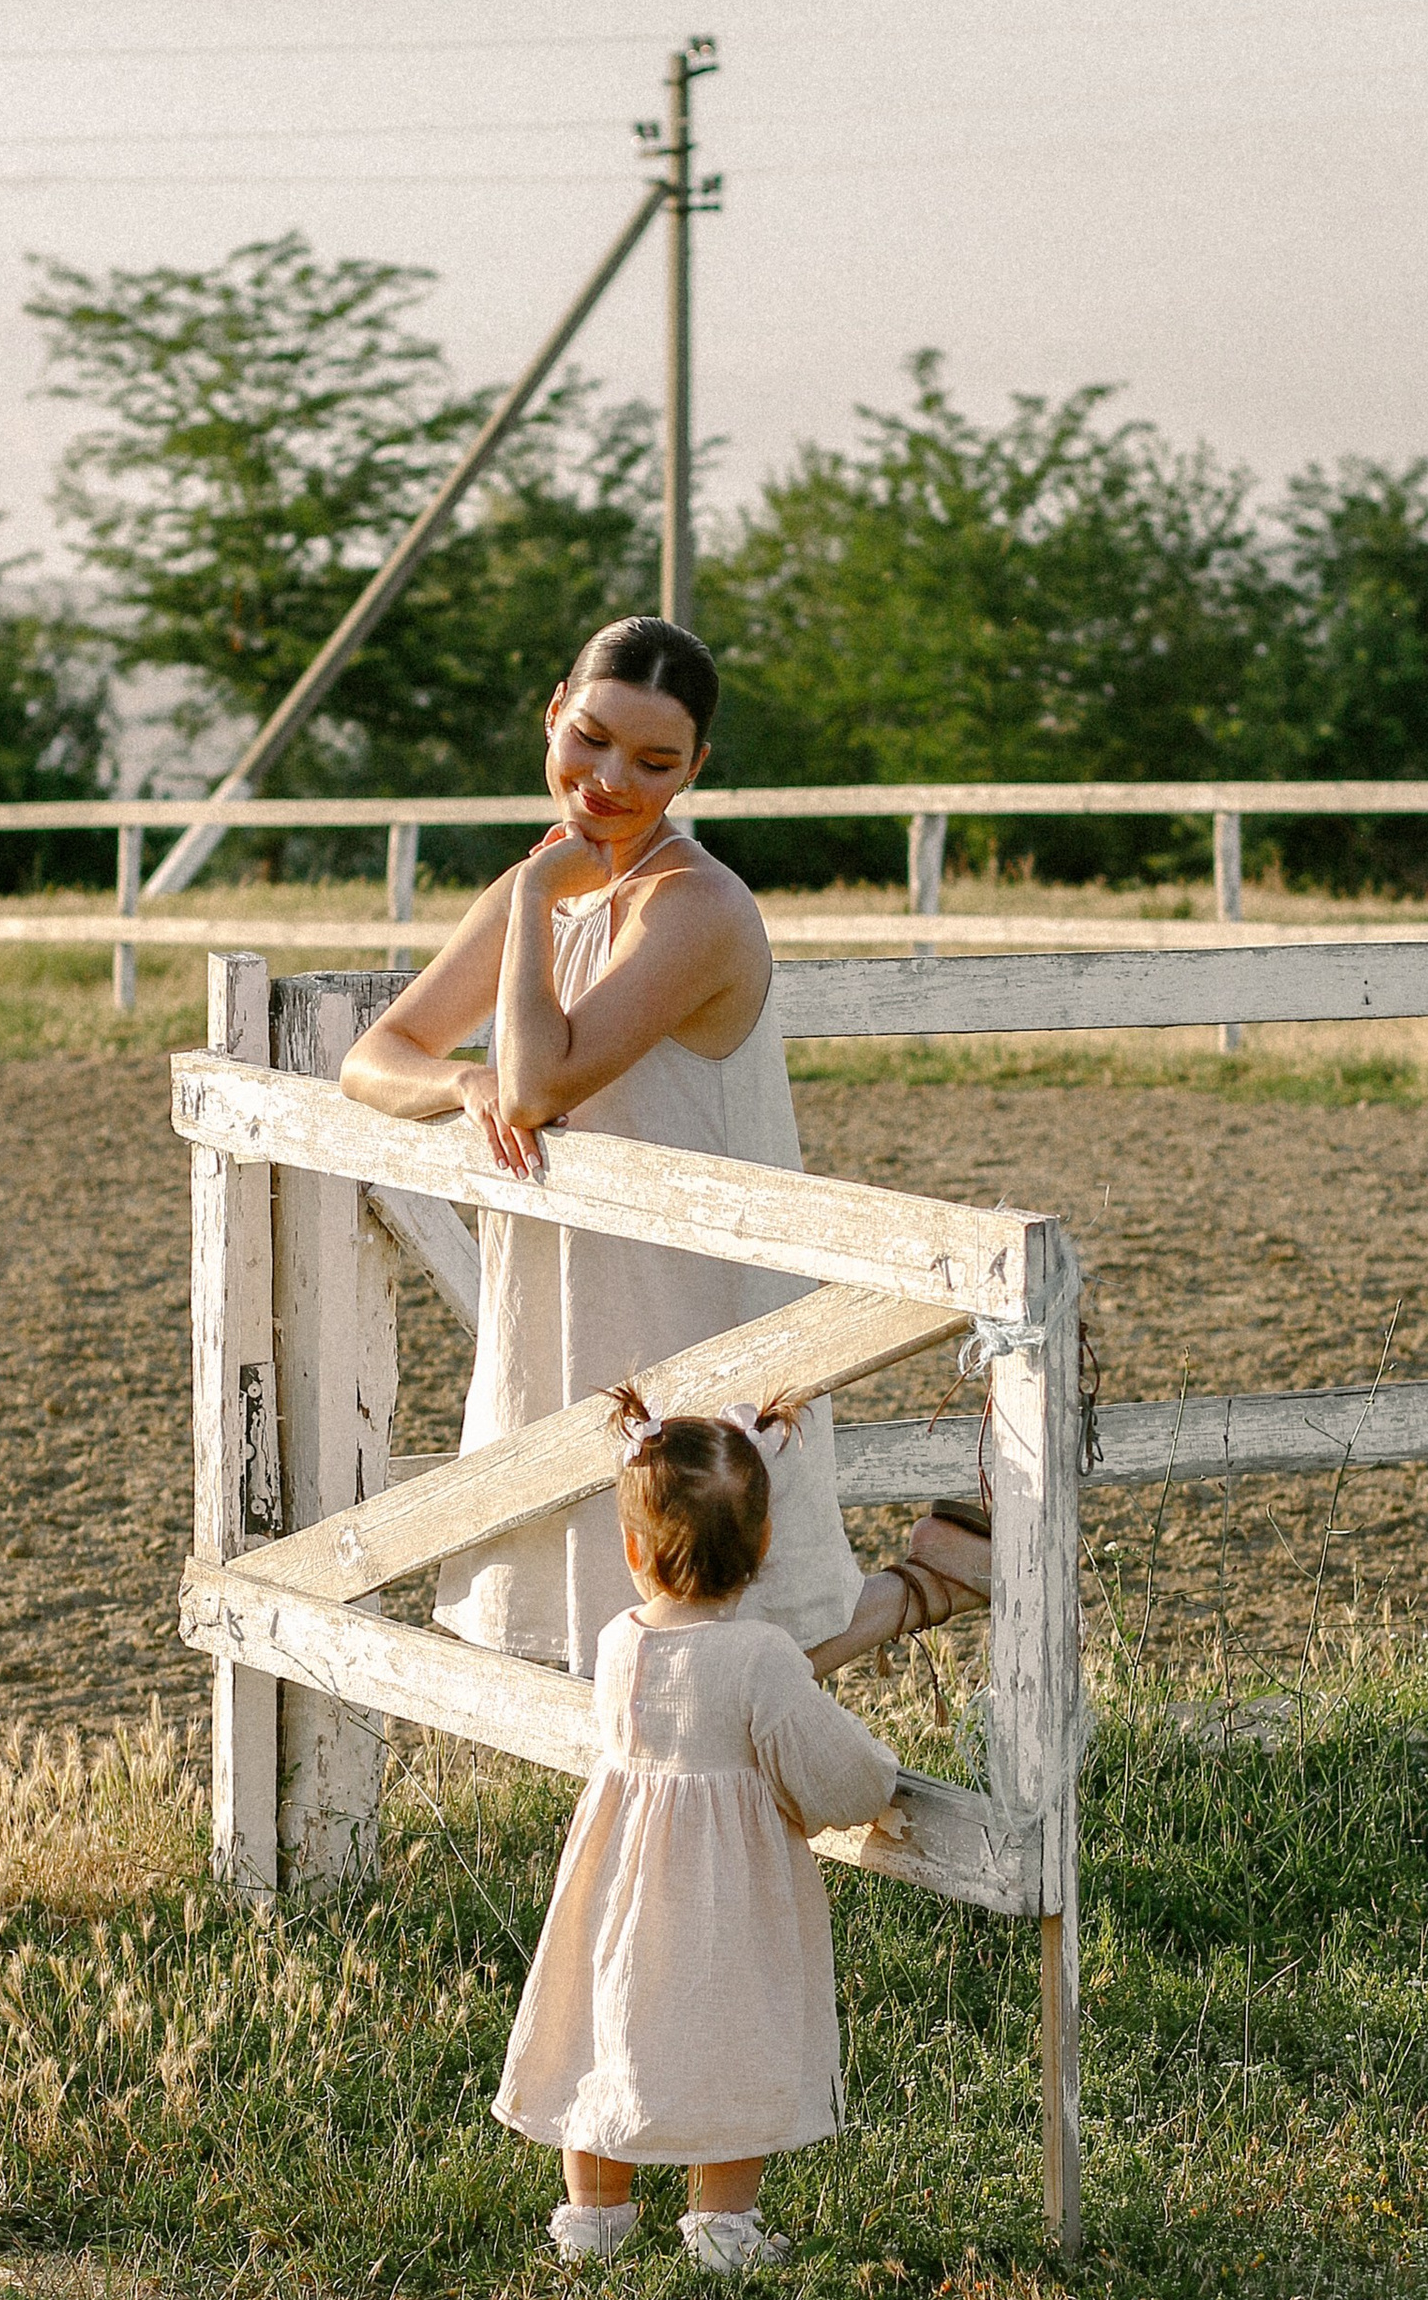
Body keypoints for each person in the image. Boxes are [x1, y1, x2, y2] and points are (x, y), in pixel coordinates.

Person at [338, 612, 989, 1676]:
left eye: (652, 760)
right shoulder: (534, 884)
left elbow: (541, 1084)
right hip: (574, 1286)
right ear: (554, 713)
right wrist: (461, 1081)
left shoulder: (693, 908)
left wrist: (540, 902)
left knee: (721, 1626)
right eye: (589, 739)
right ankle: (936, 1582)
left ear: (694, 768)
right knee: (598, 1616)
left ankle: (922, 1591)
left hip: (697, 1295)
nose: (607, 780)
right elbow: (376, 1055)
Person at [492, 1390, 902, 2275]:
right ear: (762, 1548)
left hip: (620, 1889)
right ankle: (722, 2221)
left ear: (635, 1548)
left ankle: (593, 2212)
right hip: (730, 1897)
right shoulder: (762, 1659)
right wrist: (878, 1785)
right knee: (731, 2033)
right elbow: (833, 1770)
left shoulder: (619, 1642)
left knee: (609, 2027)